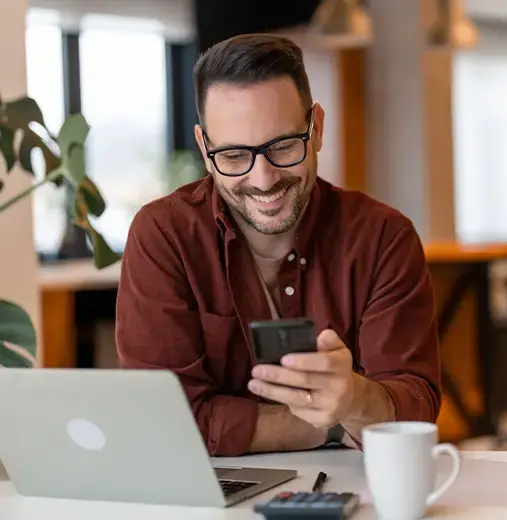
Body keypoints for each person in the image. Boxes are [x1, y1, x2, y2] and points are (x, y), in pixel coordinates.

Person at [115, 33, 441, 457]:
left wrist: (356, 399)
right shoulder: (164, 235)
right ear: (204, 147)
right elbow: (161, 421)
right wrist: (328, 425)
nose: (263, 179)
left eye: (283, 147)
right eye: (233, 156)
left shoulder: (382, 238)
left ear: (317, 128)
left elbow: (415, 406)